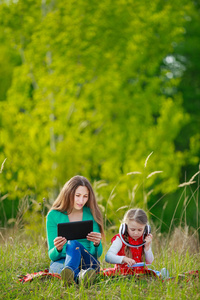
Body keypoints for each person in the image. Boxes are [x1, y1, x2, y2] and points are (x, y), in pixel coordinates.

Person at [46, 175, 104, 285]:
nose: (81, 200)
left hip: (88, 262)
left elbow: (96, 255)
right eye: (77, 195)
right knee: (57, 268)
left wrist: (97, 244)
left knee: (72, 243)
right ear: (68, 193)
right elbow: (52, 256)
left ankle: (72, 273)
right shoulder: (53, 216)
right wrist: (57, 249)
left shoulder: (91, 213)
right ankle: (79, 278)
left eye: (85, 196)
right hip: (61, 261)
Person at [104, 208, 154, 276]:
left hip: (140, 273)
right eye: (132, 230)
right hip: (122, 273)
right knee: (103, 274)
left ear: (146, 229)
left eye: (140, 230)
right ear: (125, 227)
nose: (136, 233)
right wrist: (124, 259)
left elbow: (149, 261)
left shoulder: (143, 238)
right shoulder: (120, 239)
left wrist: (147, 247)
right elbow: (108, 257)